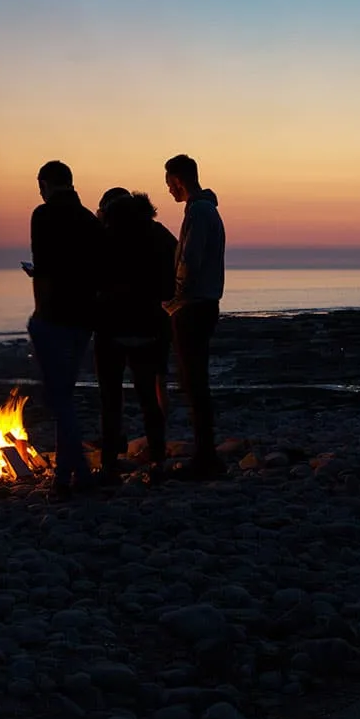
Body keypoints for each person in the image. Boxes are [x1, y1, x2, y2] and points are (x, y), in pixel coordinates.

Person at [27, 160, 103, 497]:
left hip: (54, 315)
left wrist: (40, 312)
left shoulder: (43, 216)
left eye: (39, 184)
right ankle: (64, 475)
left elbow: (44, 266)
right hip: (84, 317)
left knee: (59, 397)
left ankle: (80, 475)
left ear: (46, 183)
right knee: (64, 394)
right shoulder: (89, 219)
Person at [94, 188, 177, 477]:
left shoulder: (104, 236)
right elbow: (171, 282)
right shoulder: (158, 235)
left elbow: (91, 278)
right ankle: (157, 458)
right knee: (148, 397)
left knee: (111, 398)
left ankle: (109, 461)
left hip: (111, 328)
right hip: (148, 326)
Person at [163, 154, 226, 479]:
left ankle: (205, 457)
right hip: (199, 303)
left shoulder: (200, 212)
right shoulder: (205, 210)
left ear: (178, 180)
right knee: (194, 381)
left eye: (169, 184)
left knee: (194, 382)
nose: (169, 191)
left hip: (193, 306)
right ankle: (206, 454)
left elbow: (190, 258)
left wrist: (176, 294)